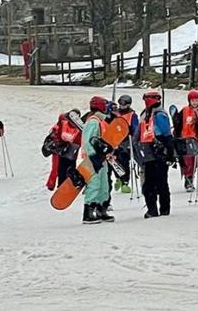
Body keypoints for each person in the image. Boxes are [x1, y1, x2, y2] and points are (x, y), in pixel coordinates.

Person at [137, 90, 175, 217]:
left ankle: (163, 209)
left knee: (160, 183)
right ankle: (153, 209)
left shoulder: (159, 115)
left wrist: (170, 153)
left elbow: (167, 135)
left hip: (159, 153)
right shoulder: (146, 113)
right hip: (148, 152)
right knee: (149, 184)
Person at [80, 96, 116, 224]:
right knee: (94, 184)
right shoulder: (93, 121)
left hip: (101, 158)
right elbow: (89, 141)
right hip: (93, 159)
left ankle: (102, 208)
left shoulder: (100, 121)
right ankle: (88, 212)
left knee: (104, 185)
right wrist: (94, 156)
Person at [46, 109, 82, 191]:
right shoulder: (63, 121)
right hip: (59, 149)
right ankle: (53, 185)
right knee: (57, 168)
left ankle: (65, 185)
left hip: (70, 152)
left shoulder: (78, 129)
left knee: (69, 168)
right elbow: (56, 132)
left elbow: (79, 142)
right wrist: (56, 142)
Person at [173, 90, 198, 192]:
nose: (194, 102)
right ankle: (188, 180)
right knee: (187, 161)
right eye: (192, 100)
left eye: (196, 100)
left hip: (195, 140)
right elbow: (178, 124)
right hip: (184, 139)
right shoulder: (184, 110)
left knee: (194, 162)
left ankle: (192, 178)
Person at [113, 95, 139, 195]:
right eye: (120, 103)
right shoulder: (116, 113)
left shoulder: (132, 115)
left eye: (124, 104)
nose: (122, 106)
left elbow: (135, 128)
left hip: (126, 140)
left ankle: (125, 181)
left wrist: (133, 137)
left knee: (124, 161)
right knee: (114, 161)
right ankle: (118, 178)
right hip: (115, 139)